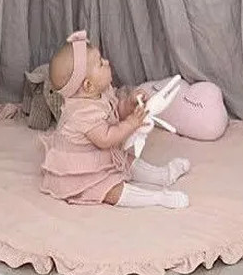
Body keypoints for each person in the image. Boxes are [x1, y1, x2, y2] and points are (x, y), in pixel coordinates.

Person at [40, 30, 190, 208]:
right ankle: (157, 198)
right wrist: (131, 123)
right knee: (109, 190)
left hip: (100, 156)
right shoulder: (81, 114)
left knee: (125, 160)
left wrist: (129, 104)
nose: (107, 62)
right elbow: (106, 139)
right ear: (88, 85)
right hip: (82, 170)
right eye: (100, 63)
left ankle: (163, 175)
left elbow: (114, 112)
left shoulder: (100, 93)